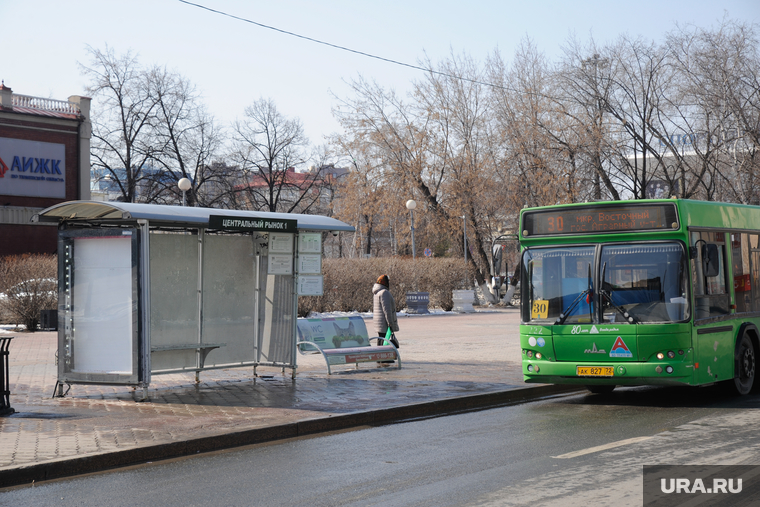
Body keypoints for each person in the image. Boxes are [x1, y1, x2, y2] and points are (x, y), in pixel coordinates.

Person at [373, 274, 399, 363]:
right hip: (384, 321)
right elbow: (386, 310)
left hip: (378, 321)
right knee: (385, 339)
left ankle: (379, 358)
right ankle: (384, 358)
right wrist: (390, 323)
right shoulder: (384, 292)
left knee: (381, 338)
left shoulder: (377, 292)